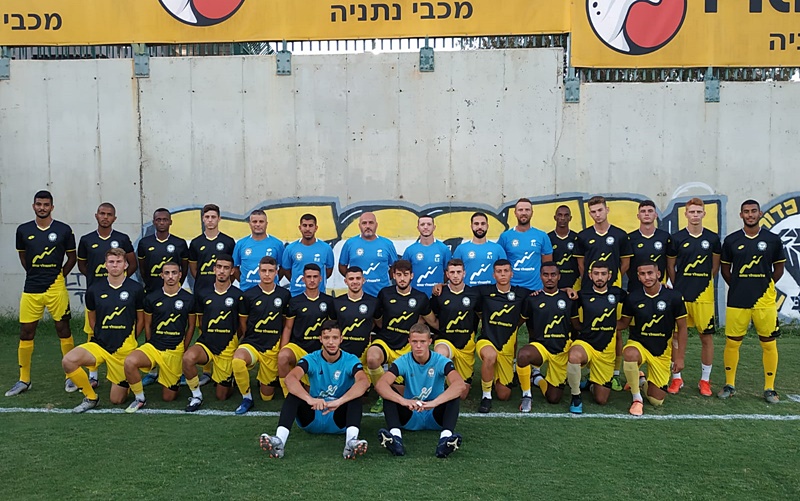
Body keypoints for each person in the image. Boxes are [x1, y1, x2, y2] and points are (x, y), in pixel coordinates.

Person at [259, 320, 370, 460]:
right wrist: (309, 399)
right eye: (326, 337)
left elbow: (364, 382)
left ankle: (350, 443)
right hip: (312, 417)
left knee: (355, 397)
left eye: (335, 338)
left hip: (339, 419)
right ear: (320, 339)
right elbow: (290, 379)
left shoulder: (350, 360)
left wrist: (339, 401)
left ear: (341, 339)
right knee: (294, 395)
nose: (331, 342)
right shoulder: (312, 359)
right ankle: (279, 441)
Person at [7, 190, 78, 397]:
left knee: (63, 329)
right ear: (33, 206)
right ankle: (24, 380)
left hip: (56, 288)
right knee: (26, 332)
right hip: (31, 288)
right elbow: (23, 257)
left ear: (52, 207)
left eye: (46, 204)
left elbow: (72, 258)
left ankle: (71, 375)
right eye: (39, 204)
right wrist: (34, 274)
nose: (42, 208)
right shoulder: (23, 230)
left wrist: (59, 275)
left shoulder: (64, 230)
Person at [61, 248, 144, 412]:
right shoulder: (94, 289)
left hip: (123, 349)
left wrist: (131, 339)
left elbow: (141, 319)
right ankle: (91, 397)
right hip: (100, 345)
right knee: (68, 361)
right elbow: (92, 318)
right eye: (111, 262)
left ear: (126, 265)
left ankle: (126, 378)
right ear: (105, 265)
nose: (115, 265)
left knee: (117, 400)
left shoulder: (136, 288)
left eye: (119, 262)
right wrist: (100, 335)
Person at [719, 200, 786, 403]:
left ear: (760, 213)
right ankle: (729, 385)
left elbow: (779, 269)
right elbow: (725, 270)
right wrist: (738, 285)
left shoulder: (772, 240)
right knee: (732, 343)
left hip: (765, 301)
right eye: (746, 212)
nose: (750, 215)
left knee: (768, 343)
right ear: (741, 215)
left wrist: (765, 286)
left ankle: (769, 388)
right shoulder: (731, 240)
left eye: (753, 211)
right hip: (737, 300)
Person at [376, 323, 465, 459]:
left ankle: (445, 440)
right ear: (409, 341)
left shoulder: (441, 361)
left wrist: (434, 403)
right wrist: (403, 401)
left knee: (453, 394)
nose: (418, 346)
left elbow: (460, 385)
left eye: (422, 342)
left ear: (430, 341)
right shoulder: (403, 361)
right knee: (390, 393)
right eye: (415, 341)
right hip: (411, 414)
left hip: (435, 415)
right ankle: (395, 439)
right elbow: (381, 385)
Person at [77, 202, 137, 390]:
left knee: (120, 328)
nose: (105, 217)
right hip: (97, 296)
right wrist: (97, 284)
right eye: (102, 213)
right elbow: (82, 265)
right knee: (92, 331)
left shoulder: (122, 238)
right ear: (96, 215)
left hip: (118, 295)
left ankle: (123, 366)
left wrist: (121, 282)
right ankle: (93, 374)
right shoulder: (86, 240)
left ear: (114, 218)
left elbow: (133, 263)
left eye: (109, 214)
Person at [574, 196, 632, 390]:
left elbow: (625, 263)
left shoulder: (620, 235)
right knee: (589, 329)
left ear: (607, 210)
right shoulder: (583, 236)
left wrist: (610, 280)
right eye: (593, 212)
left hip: (612, 291)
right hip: (589, 290)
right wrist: (591, 280)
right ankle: (591, 374)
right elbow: (581, 264)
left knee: (615, 330)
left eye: (600, 210)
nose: (597, 214)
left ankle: (614, 374)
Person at [123, 261, 196, 412]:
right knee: (130, 361)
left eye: (174, 273)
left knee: (168, 397)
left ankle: (172, 377)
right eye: (167, 273)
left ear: (180, 275)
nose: (170, 276)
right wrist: (150, 343)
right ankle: (140, 398)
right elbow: (148, 324)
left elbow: (191, 327)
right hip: (154, 346)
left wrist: (184, 348)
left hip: (175, 349)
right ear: (162, 275)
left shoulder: (189, 298)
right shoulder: (152, 297)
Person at [666, 198, 721, 396]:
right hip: (681, 295)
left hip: (703, 296)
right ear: (686, 214)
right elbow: (671, 266)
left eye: (699, 212)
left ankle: (705, 380)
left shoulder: (712, 238)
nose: (695, 215)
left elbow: (715, 266)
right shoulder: (677, 238)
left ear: (704, 214)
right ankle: (676, 378)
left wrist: (702, 282)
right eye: (692, 212)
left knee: (706, 337)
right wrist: (678, 286)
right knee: (676, 336)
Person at [617, 261, 688, 416]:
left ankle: (641, 381)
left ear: (658, 274)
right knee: (629, 354)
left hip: (661, 352)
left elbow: (682, 328)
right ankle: (637, 399)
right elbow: (623, 323)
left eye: (650, 273)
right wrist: (600, 325)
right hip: (639, 345)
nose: (647, 277)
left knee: (656, 401)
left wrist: (680, 358)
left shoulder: (674, 296)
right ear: (638, 277)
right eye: (642, 274)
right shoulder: (633, 297)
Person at [365, 260, 437, 413]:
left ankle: (394, 389)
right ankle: (382, 394)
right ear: (393, 276)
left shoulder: (420, 297)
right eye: (399, 275)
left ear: (412, 276)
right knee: (372, 358)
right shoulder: (385, 294)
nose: (402, 279)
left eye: (405, 275)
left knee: (405, 392)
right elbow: (378, 320)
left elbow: (432, 321)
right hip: (386, 341)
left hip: (407, 346)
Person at [182, 254, 244, 412]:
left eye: (226, 268)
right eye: (219, 267)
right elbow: (201, 320)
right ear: (214, 269)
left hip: (227, 347)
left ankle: (230, 378)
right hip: (207, 343)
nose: (222, 271)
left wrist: (235, 342)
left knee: (222, 396)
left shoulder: (238, 295)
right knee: (188, 358)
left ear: (232, 271)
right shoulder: (203, 293)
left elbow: (242, 325)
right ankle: (196, 396)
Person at [232, 256, 291, 415]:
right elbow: (243, 322)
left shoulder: (284, 295)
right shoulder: (248, 295)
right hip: (252, 344)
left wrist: (282, 346)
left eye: (270, 271)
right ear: (258, 272)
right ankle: (247, 398)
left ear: (276, 272)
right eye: (263, 270)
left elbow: (285, 323)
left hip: (272, 347)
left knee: (267, 397)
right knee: (238, 361)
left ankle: (264, 379)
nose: (267, 274)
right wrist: (250, 337)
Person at [566, 263, 625, 414]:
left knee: (601, 399)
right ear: (590, 275)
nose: (600, 277)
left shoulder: (617, 293)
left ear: (609, 276)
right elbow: (574, 321)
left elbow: (639, 298)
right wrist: (566, 289)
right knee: (574, 355)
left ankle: (592, 383)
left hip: (606, 350)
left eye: (603, 274)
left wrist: (662, 287)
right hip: (587, 343)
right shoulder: (583, 294)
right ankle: (576, 396)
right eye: (596, 273)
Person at [517, 263, 574, 412]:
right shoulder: (532, 299)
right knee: (523, 355)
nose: (549, 278)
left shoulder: (569, 298)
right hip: (541, 347)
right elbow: (521, 322)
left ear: (559, 277)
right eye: (546, 275)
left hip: (561, 350)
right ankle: (527, 395)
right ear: (540, 276)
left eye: (553, 275)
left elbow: (576, 325)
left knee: (553, 398)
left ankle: (538, 379)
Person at [474, 259, 528, 413]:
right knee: (490, 356)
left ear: (512, 274)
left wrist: (566, 290)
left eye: (506, 271)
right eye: (499, 271)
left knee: (504, 395)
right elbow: (461, 290)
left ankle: (497, 376)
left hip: (506, 347)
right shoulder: (484, 291)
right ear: (494, 275)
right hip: (487, 340)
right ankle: (486, 396)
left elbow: (543, 294)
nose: (503, 274)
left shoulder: (522, 293)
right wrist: (441, 286)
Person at [277, 264, 335, 397]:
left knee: (311, 393)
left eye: (315, 277)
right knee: (283, 357)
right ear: (303, 279)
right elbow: (288, 327)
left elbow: (332, 329)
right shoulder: (295, 301)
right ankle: (288, 395)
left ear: (321, 278)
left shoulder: (329, 301)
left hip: (319, 350)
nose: (312, 280)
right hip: (298, 346)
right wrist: (282, 349)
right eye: (309, 277)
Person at [430, 259, 480, 399]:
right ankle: (436, 389)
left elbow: (481, 315)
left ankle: (455, 377)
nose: (456, 275)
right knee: (440, 354)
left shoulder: (474, 294)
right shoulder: (439, 294)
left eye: (459, 272)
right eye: (452, 272)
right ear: (447, 274)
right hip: (446, 340)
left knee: (462, 395)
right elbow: (429, 314)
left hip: (466, 344)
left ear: (464, 273)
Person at [498, 198, 553, 290]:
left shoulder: (542, 236)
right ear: (515, 213)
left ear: (532, 212)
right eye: (520, 210)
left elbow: (547, 267)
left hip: (535, 289)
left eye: (527, 210)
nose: (524, 213)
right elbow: (500, 265)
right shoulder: (505, 237)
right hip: (512, 289)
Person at [338, 212, 398, 297]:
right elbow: (342, 266)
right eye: (364, 223)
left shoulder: (387, 244)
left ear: (376, 225)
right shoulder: (350, 243)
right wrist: (354, 279)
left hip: (382, 295)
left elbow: (394, 267)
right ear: (359, 226)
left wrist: (382, 278)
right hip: (358, 296)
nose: (368, 226)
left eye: (371, 223)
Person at [332, 266, 381, 364]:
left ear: (363, 280)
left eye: (358, 278)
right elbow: (332, 327)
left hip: (364, 354)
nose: (355, 282)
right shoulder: (336, 302)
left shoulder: (373, 302)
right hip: (341, 354)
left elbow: (379, 324)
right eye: (351, 279)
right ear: (346, 281)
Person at [137, 208, 189, 295]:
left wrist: (177, 283)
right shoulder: (144, 243)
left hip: (173, 291)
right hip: (152, 290)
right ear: (154, 222)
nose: (161, 223)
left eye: (165, 220)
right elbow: (142, 268)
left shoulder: (180, 243)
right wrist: (149, 283)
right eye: (158, 220)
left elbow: (184, 268)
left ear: (170, 222)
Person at [281, 213, 335, 296]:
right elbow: (286, 270)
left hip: (318, 295)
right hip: (296, 294)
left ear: (316, 228)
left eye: (311, 226)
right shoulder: (290, 248)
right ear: (300, 228)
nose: (307, 229)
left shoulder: (326, 248)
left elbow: (328, 271)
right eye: (304, 225)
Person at [233, 209, 285, 292]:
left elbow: (283, 268)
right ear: (250, 224)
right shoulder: (241, 244)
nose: (257, 224)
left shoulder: (277, 244)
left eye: (261, 222)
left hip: (270, 292)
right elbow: (235, 268)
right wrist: (245, 281)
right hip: (247, 291)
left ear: (266, 224)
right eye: (254, 222)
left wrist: (272, 280)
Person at [188, 203, 236, 293]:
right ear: (203, 219)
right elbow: (193, 269)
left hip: (222, 291)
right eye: (207, 217)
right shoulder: (195, 242)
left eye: (213, 217)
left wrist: (224, 283)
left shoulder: (228, 241)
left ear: (219, 219)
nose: (210, 220)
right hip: (201, 290)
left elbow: (234, 268)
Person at [453, 212, 507, 286]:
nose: (480, 227)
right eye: (476, 224)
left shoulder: (498, 249)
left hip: (491, 291)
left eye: (483, 224)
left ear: (487, 226)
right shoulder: (461, 249)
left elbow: (505, 272)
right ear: (471, 226)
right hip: (469, 291)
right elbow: (454, 272)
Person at [402, 215, 452, 296]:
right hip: (416, 296)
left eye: (429, 224)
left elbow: (448, 273)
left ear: (434, 227)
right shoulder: (410, 250)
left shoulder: (444, 249)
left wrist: (440, 285)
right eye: (422, 224)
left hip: (437, 296)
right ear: (418, 228)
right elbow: (403, 273)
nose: (425, 227)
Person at [627, 200, 671, 292]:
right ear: (638, 216)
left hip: (658, 288)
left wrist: (665, 281)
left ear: (656, 215)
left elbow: (669, 264)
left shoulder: (665, 237)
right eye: (643, 211)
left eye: (650, 211)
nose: (646, 214)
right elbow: (626, 265)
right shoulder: (630, 238)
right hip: (635, 288)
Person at [548, 205, 580, 290]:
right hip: (554, 284)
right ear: (555, 217)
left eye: (566, 215)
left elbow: (580, 264)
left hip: (573, 284)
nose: (562, 218)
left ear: (570, 218)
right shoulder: (548, 238)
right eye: (560, 215)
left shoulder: (577, 238)